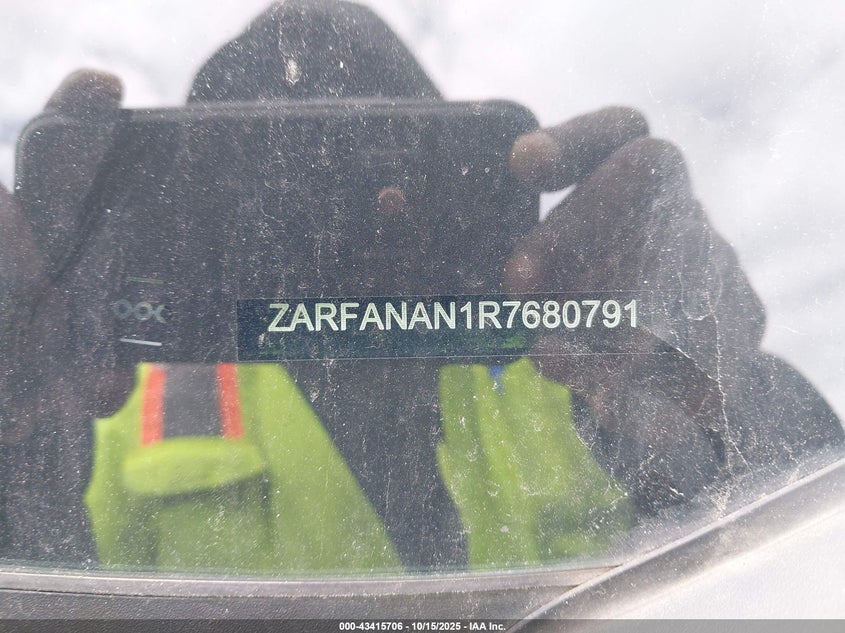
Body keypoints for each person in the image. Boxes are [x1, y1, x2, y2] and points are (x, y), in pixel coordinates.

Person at [0, 1, 842, 572]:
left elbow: (803, 525)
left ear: (458, 186)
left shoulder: (579, 365)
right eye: (277, 192)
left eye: (383, 168)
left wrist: (719, 387)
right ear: (205, 219)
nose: (348, 222)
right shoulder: (82, 416)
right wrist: (18, 447)